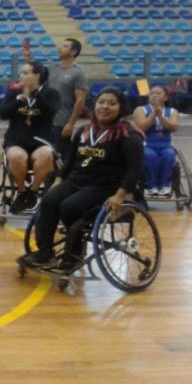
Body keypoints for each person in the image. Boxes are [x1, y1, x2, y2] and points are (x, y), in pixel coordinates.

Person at [22, 87, 144, 269]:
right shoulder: (83, 132)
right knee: (49, 199)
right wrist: (58, 181)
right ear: (94, 105)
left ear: (121, 108)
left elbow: (134, 171)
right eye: (101, 102)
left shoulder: (128, 136)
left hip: (104, 187)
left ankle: (73, 255)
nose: (105, 107)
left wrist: (119, 196)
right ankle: (45, 251)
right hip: (75, 181)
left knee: (70, 206)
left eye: (112, 103)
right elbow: (70, 161)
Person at [0, 61, 60, 213]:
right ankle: (21, 192)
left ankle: (32, 192)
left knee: (47, 154)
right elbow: (3, 114)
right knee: (16, 156)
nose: (21, 76)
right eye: (21, 73)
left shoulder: (50, 93)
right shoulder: (14, 92)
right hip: (16, 139)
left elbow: (50, 112)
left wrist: (35, 95)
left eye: (26, 73)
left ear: (37, 76)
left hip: (40, 141)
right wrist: (20, 100)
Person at [46, 38, 88, 159]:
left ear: (73, 52)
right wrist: (27, 58)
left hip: (62, 121)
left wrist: (70, 124)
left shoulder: (78, 73)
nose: (59, 48)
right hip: (47, 119)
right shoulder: (52, 68)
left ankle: (62, 177)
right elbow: (35, 75)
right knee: (45, 154)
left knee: (61, 156)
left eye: (64, 46)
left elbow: (80, 100)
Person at [134, 86, 180, 197]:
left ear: (165, 97)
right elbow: (141, 127)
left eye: (158, 93)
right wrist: (154, 114)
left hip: (166, 145)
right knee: (149, 156)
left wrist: (161, 117)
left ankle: (165, 186)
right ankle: (151, 186)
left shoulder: (172, 111)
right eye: (152, 94)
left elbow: (173, 127)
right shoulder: (141, 110)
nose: (154, 95)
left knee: (169, 155)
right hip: (147, 144)